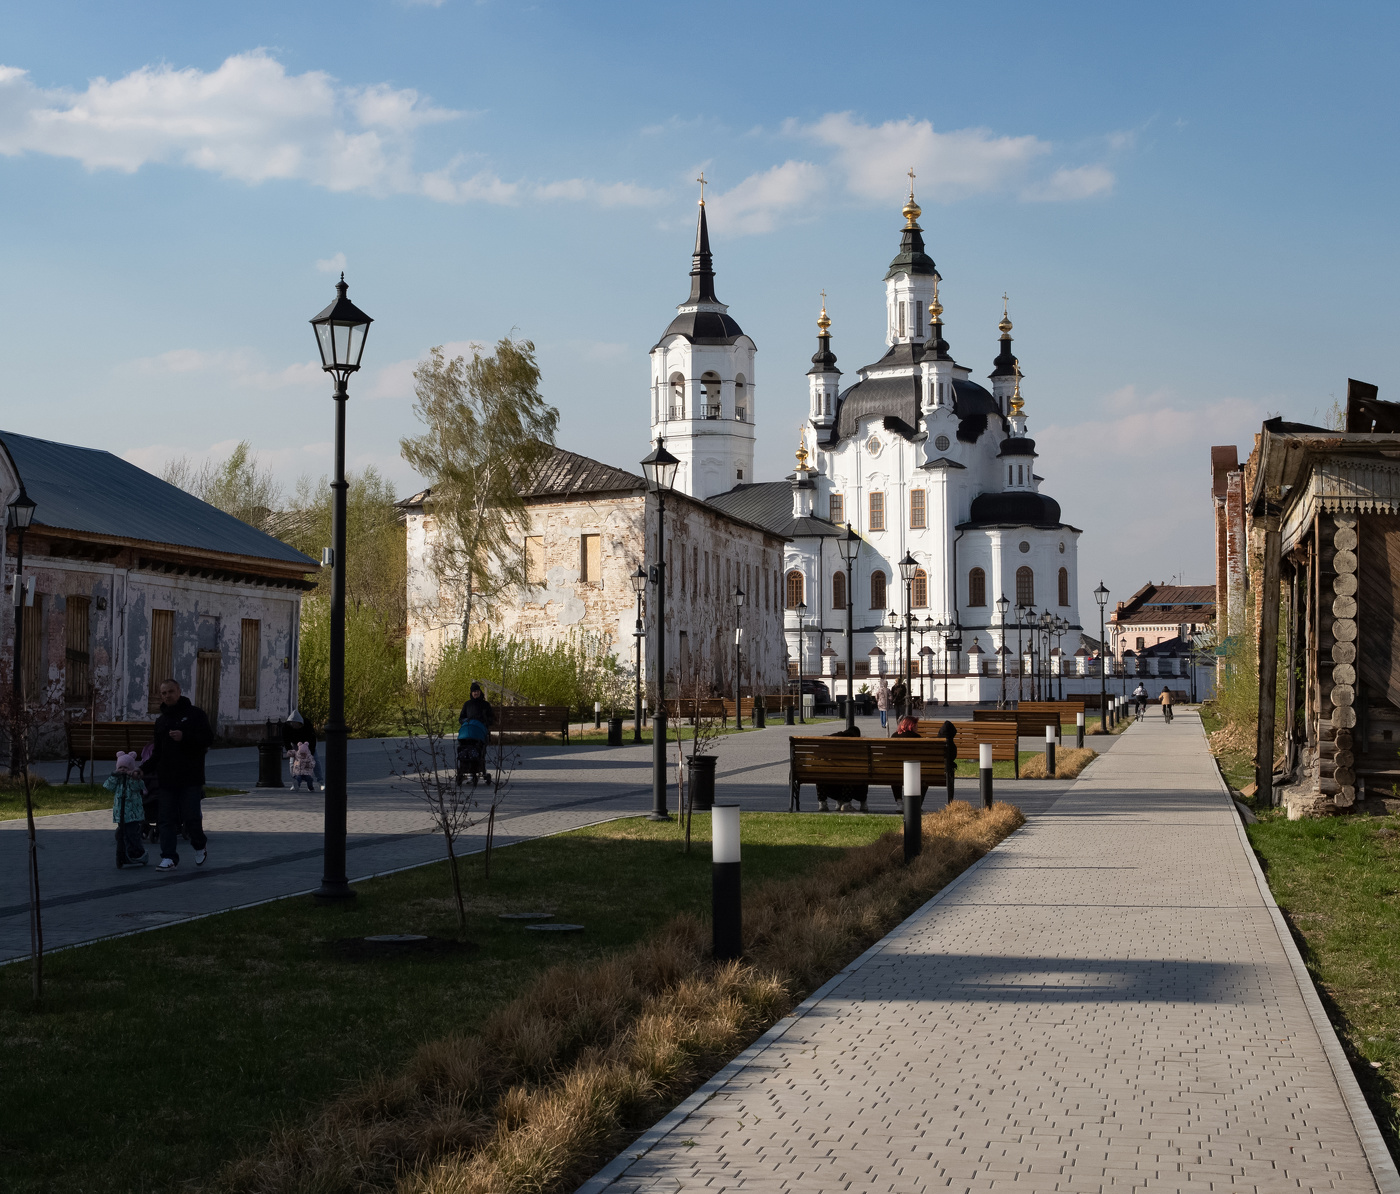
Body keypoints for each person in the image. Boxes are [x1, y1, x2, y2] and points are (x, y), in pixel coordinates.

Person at [148, 678, 214, 871]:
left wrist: (185, 738)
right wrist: (141, 769)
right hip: (167, 779)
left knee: (191, 817)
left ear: (179, 692)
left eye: (170, 691)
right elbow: (157, 753)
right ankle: (168, 857)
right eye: (164, 693)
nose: (167, 696)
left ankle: (200, 845)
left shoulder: (195, 715)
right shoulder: (161, 721)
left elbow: (207, 739)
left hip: (190, 777)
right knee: (165, 819)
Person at [106, 750, 148, 869]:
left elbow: (139, 787)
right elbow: (108, 786)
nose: (123, 770)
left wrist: (133, 776)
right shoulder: (118, 779)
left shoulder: (133, 779)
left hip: (133, 813)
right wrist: (114, 775)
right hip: (121, 812)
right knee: (122, 833)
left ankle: (138, 852)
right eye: (121, 767)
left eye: (126, 767)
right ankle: (125, 852)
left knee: (132, 833)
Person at [283, 710, 322, 791]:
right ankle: (295, 782)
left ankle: (320, 781)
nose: (293, 726)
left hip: (308, 744)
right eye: (291, 724)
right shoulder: (286, 727)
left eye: (295, 724)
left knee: (315, 761)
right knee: (292, 763)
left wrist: (310, 752)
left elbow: (312, 739)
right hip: (295, 744)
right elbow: (286, 740)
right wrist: (290, 751)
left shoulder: (307, 724)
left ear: (300, 723)